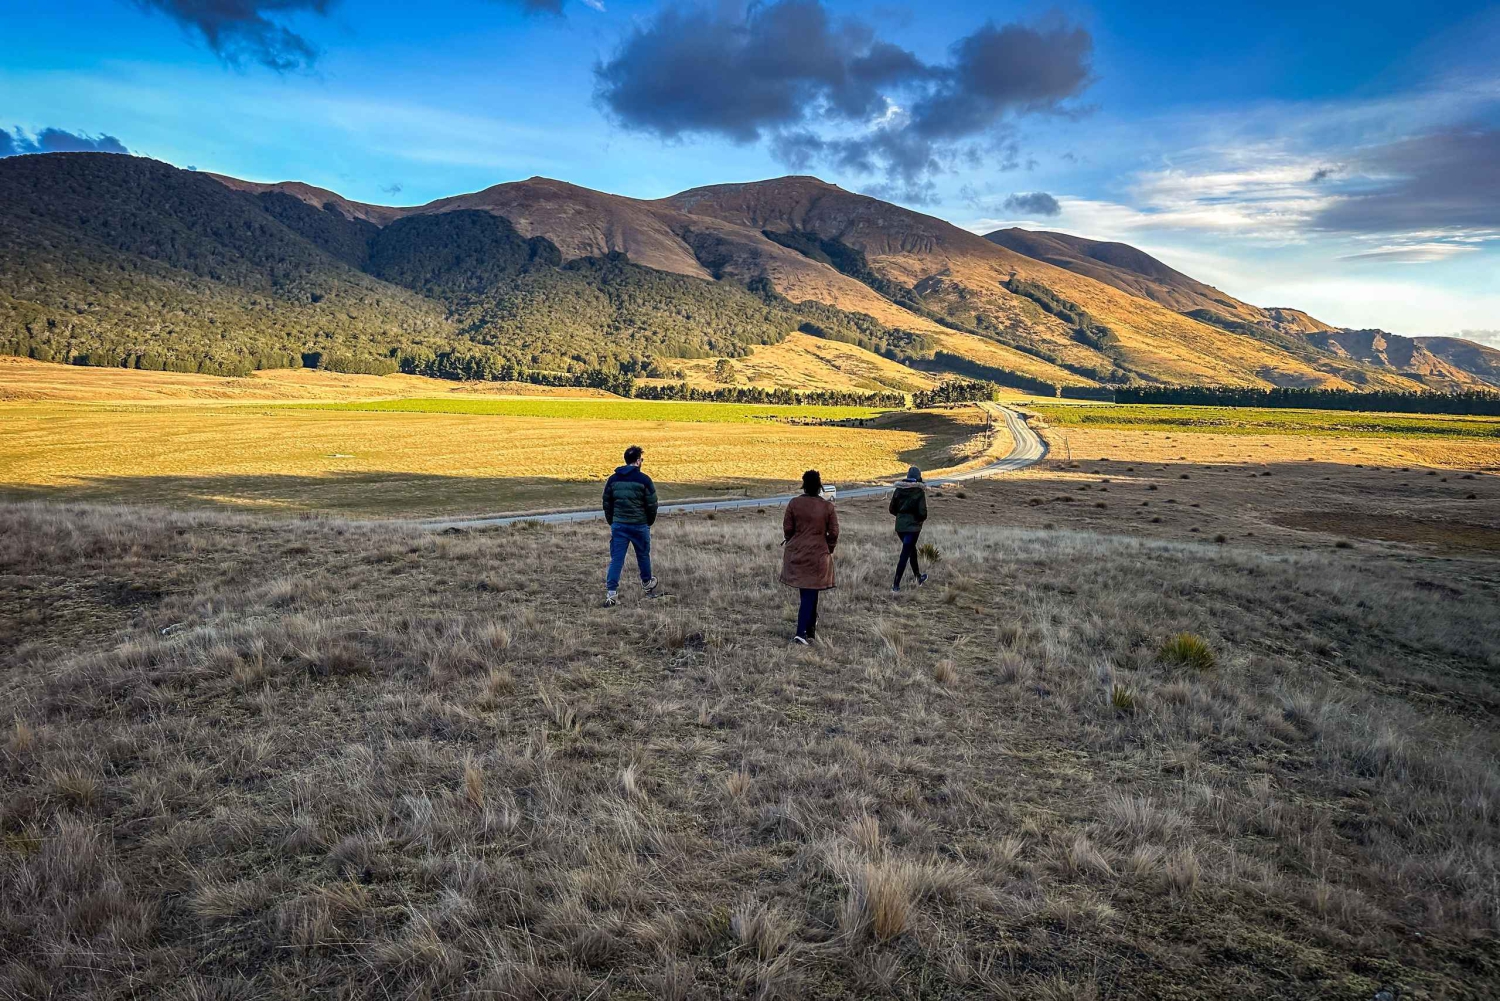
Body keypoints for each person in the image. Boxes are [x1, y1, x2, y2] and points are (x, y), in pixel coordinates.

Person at [780, 469, 839, 645]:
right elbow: (834, 532)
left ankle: (810, 629)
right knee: (811, 591)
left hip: (797, 552)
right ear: (819, 485)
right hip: (818, 555)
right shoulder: (827, 507)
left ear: (804, 485)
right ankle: (802, 631)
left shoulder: (794, 503)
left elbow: (787, 529)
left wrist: (793, 542)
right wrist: (828, 547)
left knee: (807, 591)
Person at [602, 445, 658, 607]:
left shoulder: (613, 479)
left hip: (619, 525)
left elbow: (607, 503)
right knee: (643, 555)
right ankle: (647, 583)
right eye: (642, 459)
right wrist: (649, 521)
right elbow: (652, 504)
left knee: (617, 559)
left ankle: (611, 593)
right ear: (638, 461)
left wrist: (612, 521)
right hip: (639, 525)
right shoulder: (644, 480)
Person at [889, 465, 929, 592]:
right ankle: (896, 585)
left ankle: (918, 577)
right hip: (913, 529)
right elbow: (923, 513)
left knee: (912, 551)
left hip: (900, 527)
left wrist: (901, 517)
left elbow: (892, 509)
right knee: (905, 554)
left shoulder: (898, 490)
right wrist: (917, 520)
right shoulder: (919, 491)